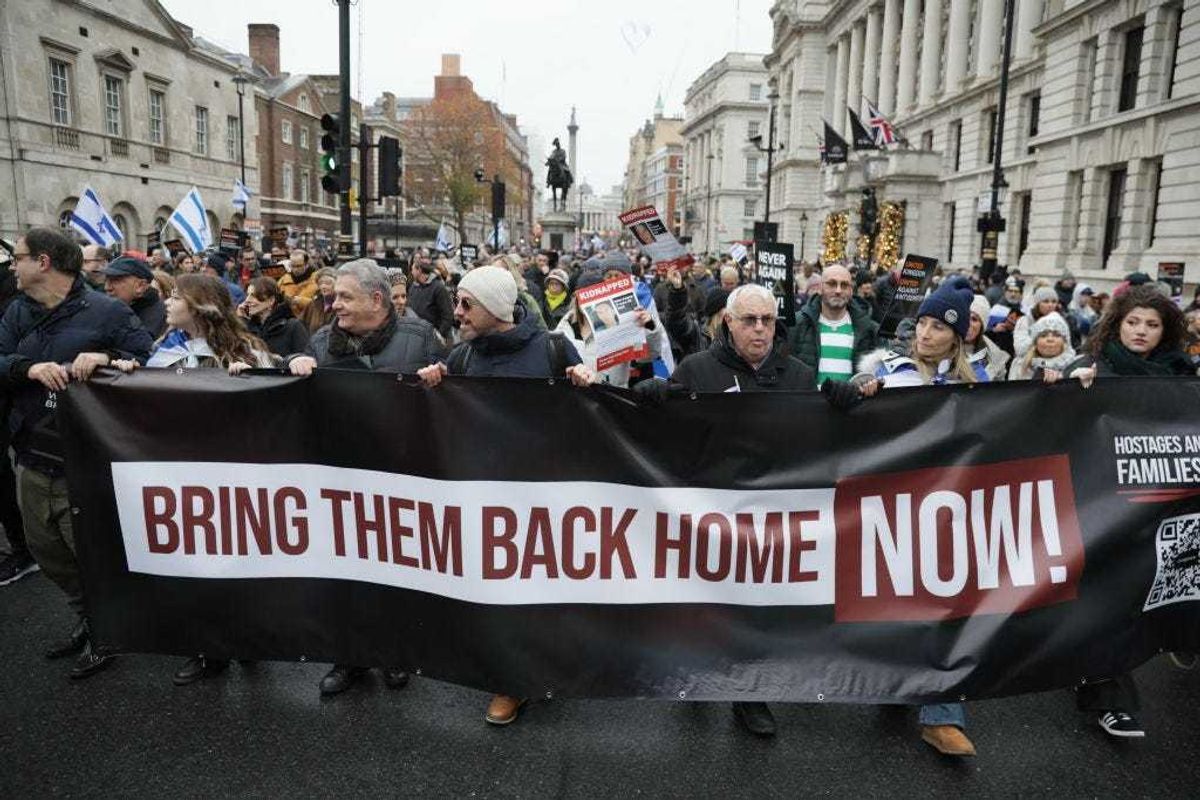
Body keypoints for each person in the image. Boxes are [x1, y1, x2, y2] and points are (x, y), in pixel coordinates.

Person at [417, 265, 594, 726]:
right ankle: (511, 679)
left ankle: (537, 669)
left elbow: (591, 415)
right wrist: (433, 383)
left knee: (538, 587)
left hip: (541, 491)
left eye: (466, 303)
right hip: (485, 489)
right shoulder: (462, 356)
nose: (456, 312)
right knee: (498, 586)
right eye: (455, 301)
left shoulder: (552, 349)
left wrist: (584, 384)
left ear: (495, 308)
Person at [0, 227, 153, 679]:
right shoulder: (16, 310)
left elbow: (144, 357)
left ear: (44, 262)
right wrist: (28, 368)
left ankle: (106, 630)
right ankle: (88, 618)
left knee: (91, 552)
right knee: (46, 551)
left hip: (83, 459)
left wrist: (105, 359)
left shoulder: (106, 312)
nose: (12, 266)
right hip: (30, 451)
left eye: (19, 257)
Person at [1044, 286, 1195, 737]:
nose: (1141, 332)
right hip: (1099, 505)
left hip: (1160, 511)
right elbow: (1049, 422)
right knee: (1105, 602)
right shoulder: (1091, 368)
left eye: (1152, 324)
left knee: (1143, 599)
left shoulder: (1183, 375)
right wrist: (1064, 390)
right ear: (1117, 324)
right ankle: (1109, 698)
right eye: (1133, 322)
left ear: (1165, 331)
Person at [112, 273, 272, 685]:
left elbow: (272, 412)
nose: (166, 302)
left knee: (241, 563)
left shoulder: (248, 352)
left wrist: (251, 382)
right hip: (182, 477)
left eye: (176, 296)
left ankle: (254, 637)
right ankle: (208, 648)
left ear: (199, 304)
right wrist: (127, 377)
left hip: (235, 479)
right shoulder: (164, 351)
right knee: (196, 563)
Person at [854, 276, 983, 757]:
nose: (925, 334)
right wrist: (854, 392)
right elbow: (846, 412)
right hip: (890, 505)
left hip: (950, 512)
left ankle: (942, 716)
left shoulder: (979, 383)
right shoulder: (888, 371)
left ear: (958, 335)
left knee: (950, 606)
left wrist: (1066, 385)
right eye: (922, 323)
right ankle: (897, 681)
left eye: (937, 326)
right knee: (894, 601)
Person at [556, 272, 666, 388]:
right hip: (578, 398)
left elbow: (647, 357)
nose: (589, 304)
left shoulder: (621, 325)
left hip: (613, 397)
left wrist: (650, 328)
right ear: (576, 297)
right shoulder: (565, 327)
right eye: (585, 298)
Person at [787, 264, 879, 386]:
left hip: (851, 403)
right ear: (820, 288)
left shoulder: (868, 328)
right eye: (832, 284)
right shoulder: (798, 324)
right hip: (809, 403)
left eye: (844, 285)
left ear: (851, 291)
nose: (838, 290)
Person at [239, 276, 311, 357]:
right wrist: (240, 320)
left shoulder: (293, 326)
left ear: (271, 300)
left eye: (254, 296)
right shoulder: (247, 326)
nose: (247, 300)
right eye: (247, 295)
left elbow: (305, 360)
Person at [103, 255, 167, 338]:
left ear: (140, 286)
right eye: (106, 280)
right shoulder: (111, 310)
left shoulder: (162, 317)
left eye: (115, 280)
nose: (107, 287)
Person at [1007, 312, 1076, 380]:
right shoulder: (1020, 366)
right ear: (1035, 342)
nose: (1050, 339)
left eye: (1056, 335)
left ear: (1065, 342)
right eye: (1043, 336)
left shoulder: (1075, 366)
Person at [408, 255, 454, 343]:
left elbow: (448, 315)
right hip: (415, 337)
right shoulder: (413, 287)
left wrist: (439, 335)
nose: (411, 272)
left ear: (419, 270)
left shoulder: (438, 288)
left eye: (413, 269)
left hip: (432, 339)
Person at [966, 295, 1010, 381]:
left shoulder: (995, 356)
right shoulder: (943, 346)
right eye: (965, 317)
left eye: (974, 319)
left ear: (982, 326)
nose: (968, 324)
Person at [277, 248, 319, 313]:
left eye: (299, 266)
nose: (295, 269)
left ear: (306, 264)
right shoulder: (283, 280)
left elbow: (319, 305)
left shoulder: (317, 280)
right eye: (293, 266)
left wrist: (300, 301)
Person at [299, 267, 338, 332]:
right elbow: (301, 325)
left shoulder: (340, 304)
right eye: (320, 283)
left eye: (328, 283)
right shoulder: (313, 304)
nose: (323, 286)